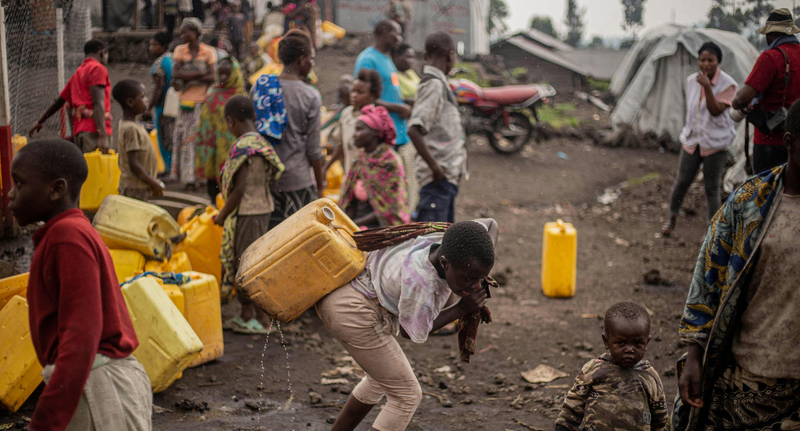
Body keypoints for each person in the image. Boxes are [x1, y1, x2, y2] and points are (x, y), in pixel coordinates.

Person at [672, 99, 800, 431]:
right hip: (753, 375)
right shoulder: (749, 202)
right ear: (789, 142)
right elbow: (709, 275)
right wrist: (695, 354)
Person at [8, 139, 152, 430]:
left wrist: (45, 421)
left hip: (97, 386)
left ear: (56, 189)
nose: (10, 195)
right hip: (92, 381)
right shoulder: (68, 232)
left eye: (19, 184)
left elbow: (81, 333)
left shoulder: (66, 238)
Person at [316, 219, 498, 431]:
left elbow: (491, 225)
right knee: (407, 395)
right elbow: (410, 332)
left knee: (380, 380)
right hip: (354, 312)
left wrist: (479, 270)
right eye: (469, 279)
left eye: (481, 278)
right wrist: (461, 309)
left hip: (351, 294)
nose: (476, 285)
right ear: (445, 263)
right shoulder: (420, 281)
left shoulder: (448, 240)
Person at [214, 95, 284, 330]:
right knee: (250, 262)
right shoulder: (262, 143)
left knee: (247, 267)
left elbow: (240, 188)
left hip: (248, 212)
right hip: (260, 208)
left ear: (231, 121)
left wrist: (223, 214)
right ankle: (246, 315)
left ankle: (263, 320)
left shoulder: (244, 148)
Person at [661, 42, 737, 236]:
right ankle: (671, 218)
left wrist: (707, 87)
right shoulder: (691, 81)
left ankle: (712, 231)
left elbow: (715, 111)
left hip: (716, 144)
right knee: (682, 181)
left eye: (710, 60)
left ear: (718, 61)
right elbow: (693, 111)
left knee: (712, 188)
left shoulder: (728, 84)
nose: (705, 64)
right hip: (693, 140)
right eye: (702, 60)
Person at [555, 302, 667, 431]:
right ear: (606, 341)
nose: (629, 350)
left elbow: (660, 418)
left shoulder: (650, 377)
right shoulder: (594, 370)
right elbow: (573, 405)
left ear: (646, 343)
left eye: (637, 343)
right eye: (621, 343)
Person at [255, 30, 325, 229]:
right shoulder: (310, 96)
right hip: (297, 181)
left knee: (268, 246)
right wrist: (320, 186)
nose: (312, 64)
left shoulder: (260, 88)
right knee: (297, 244)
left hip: (265, 181)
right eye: (311, 59)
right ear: (302, 60)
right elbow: (313, 149)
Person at [733, 8, 800, 174]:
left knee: (766, 193)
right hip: (797, 140)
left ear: (770, 34)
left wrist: (736, 103)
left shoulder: (771, 57)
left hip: (771, 141)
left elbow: (743, 98)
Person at [408, 32, 466, 223]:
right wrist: (435, 167)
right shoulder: (434, 85)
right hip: (437, 181)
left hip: (443, 179)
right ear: (450, 55)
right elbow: (414, 129)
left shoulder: (438, 83)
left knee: (442, 240)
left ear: (426, 55)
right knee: (431, 244)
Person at [30, 39, 112, 154]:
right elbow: (98, 103)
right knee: (98, 170)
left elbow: (58, 102)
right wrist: (102, 135)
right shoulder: (98, 69)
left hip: (80, 132)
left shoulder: (78, 73)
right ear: (102, 53)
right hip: (94, 132)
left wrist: (40, 122)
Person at [339, 105, 409, 228]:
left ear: (375, 132)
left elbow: (389, 211)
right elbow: (350, 202)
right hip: (357, 224)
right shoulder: (360, 159)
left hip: (381, 228)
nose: (354, 135)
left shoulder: (390, 163)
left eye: (359, 130)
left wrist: (352, 225)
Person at [171, 18, 217, 189]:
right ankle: (188, 177)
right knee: (185, 141)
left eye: (186, 32)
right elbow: (176, 74)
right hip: (185, 103)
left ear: (195, 32)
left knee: (200, 140)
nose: (182, 35)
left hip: (202, 103)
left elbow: (212, 77)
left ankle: (200, 177)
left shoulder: (208, 51)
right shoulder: (179, 50)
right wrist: (199, 74)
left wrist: (187, 75)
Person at [195, 57, 246, 201]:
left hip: (233, 148)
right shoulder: (212, 92)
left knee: (235, 186)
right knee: (215, 194)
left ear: (235, 74)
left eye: (227, 74)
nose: (223, 78)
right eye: (220, 74)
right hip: (214, 149)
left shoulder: (240, 95)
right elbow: (205, 124)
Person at [112, 80, 165, 201]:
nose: (147, 100)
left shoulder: (131, 124)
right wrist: (153, 182)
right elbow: (134, 164)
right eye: (143, 97)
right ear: (130, 102)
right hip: (136, 187)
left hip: (139, 185)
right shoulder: (131, 129)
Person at [392, 43, 421, 212]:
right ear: (396, 57)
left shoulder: (410, 74)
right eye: (407, 56)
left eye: (413, 57)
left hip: (412, 127)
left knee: (412, 170)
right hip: (401, 128)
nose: (411, 61)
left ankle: (411, 206)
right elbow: (399, 99)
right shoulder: (394, 76)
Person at [148, 31, 175, 175]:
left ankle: (169, 168)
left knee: (164, 138)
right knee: (172, 137)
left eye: (154, 45)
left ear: (163, 46)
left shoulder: (159, 63)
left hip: (163, 106)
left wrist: (149, 107)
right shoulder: (172, 58)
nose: (151, 48)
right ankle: (174, 168)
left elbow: (158, 88)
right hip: (174, 104)